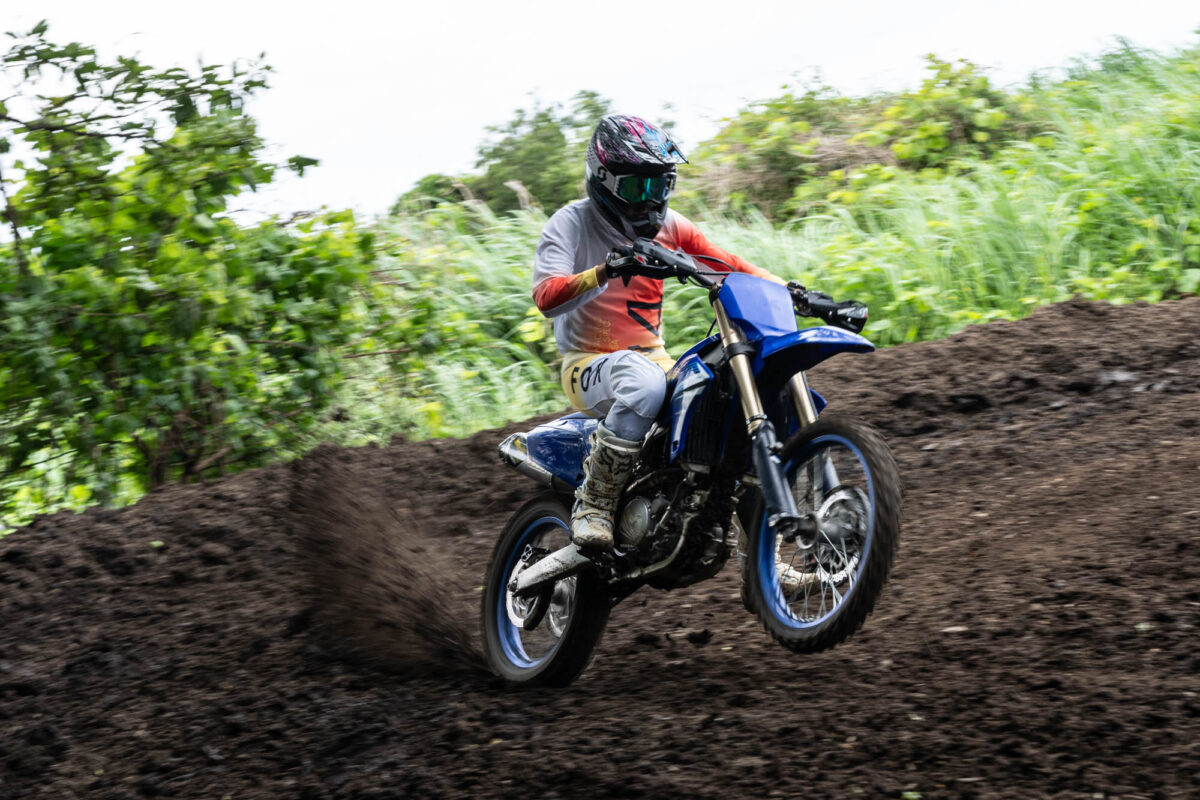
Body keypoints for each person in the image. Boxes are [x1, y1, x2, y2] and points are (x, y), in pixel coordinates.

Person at [531, 114, 786, 551]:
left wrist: (791, 290)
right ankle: (594, 503)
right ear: (604, 179)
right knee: (644, 382)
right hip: (587, 362)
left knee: (724, 397)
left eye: (660, 185)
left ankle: (763, 561)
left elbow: (728, 264)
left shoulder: (674, 227)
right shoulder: (570, 223)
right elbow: (546, 296)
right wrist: (604, 270)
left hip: (655, 357)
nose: (650, 201)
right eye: (637, 187)